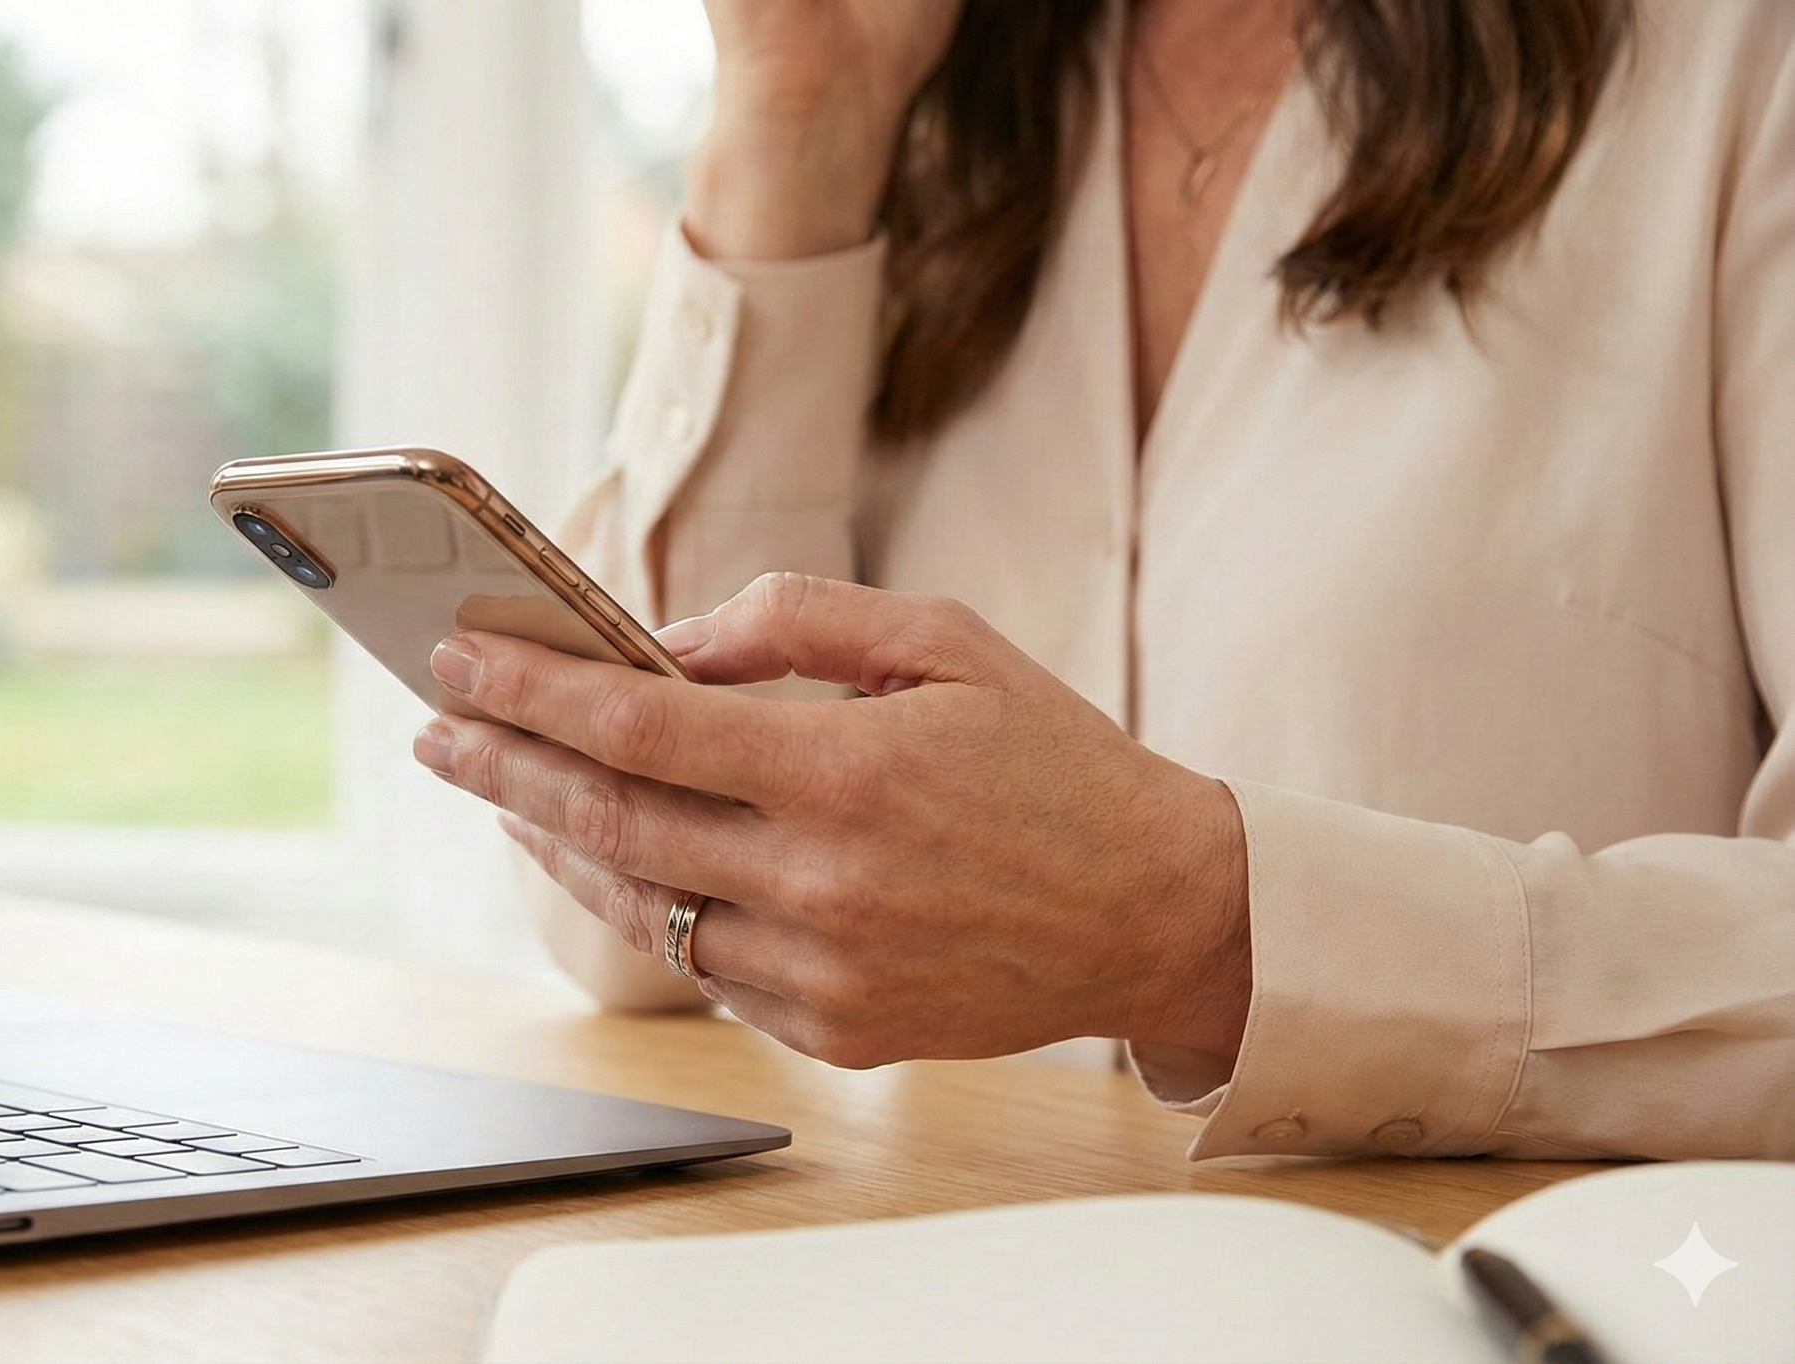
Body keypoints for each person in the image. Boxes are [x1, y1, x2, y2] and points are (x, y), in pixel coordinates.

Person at [409, 0, 1794, 1162]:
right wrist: (797, 116)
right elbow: (624, 937)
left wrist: (1213, 939)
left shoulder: (1735, 63)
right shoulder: (946, 81)